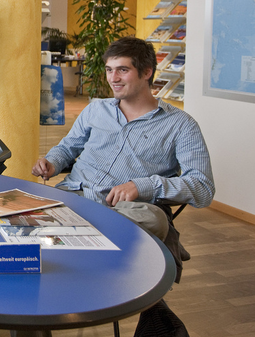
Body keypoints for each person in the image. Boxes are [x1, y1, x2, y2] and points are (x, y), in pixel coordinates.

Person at [32, 36, 214, 300]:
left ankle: (81, 266)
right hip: (75, 197)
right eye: (109, 70)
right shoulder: (96, 110)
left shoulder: (181, 125)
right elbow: (68, 147)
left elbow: (202, 187)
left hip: (122, 210)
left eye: (123, 70)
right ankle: (78, 267)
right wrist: (51, 162)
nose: (113, 78)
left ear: (147, 72)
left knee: (153, 219)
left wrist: (143, 186)